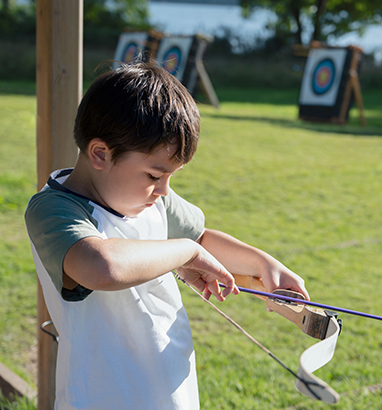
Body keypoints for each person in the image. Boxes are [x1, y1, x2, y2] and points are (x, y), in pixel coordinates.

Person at [25, 62, 309, 410]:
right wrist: (185, 254)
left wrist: (264, 264)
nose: (164, 190)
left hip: (170, 385)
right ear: (100, 153)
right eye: (154, 175)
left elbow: (200, 238)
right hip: (101, 396)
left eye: (171, 177)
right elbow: (102, 267)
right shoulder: (54, 210)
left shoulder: (153, 200)